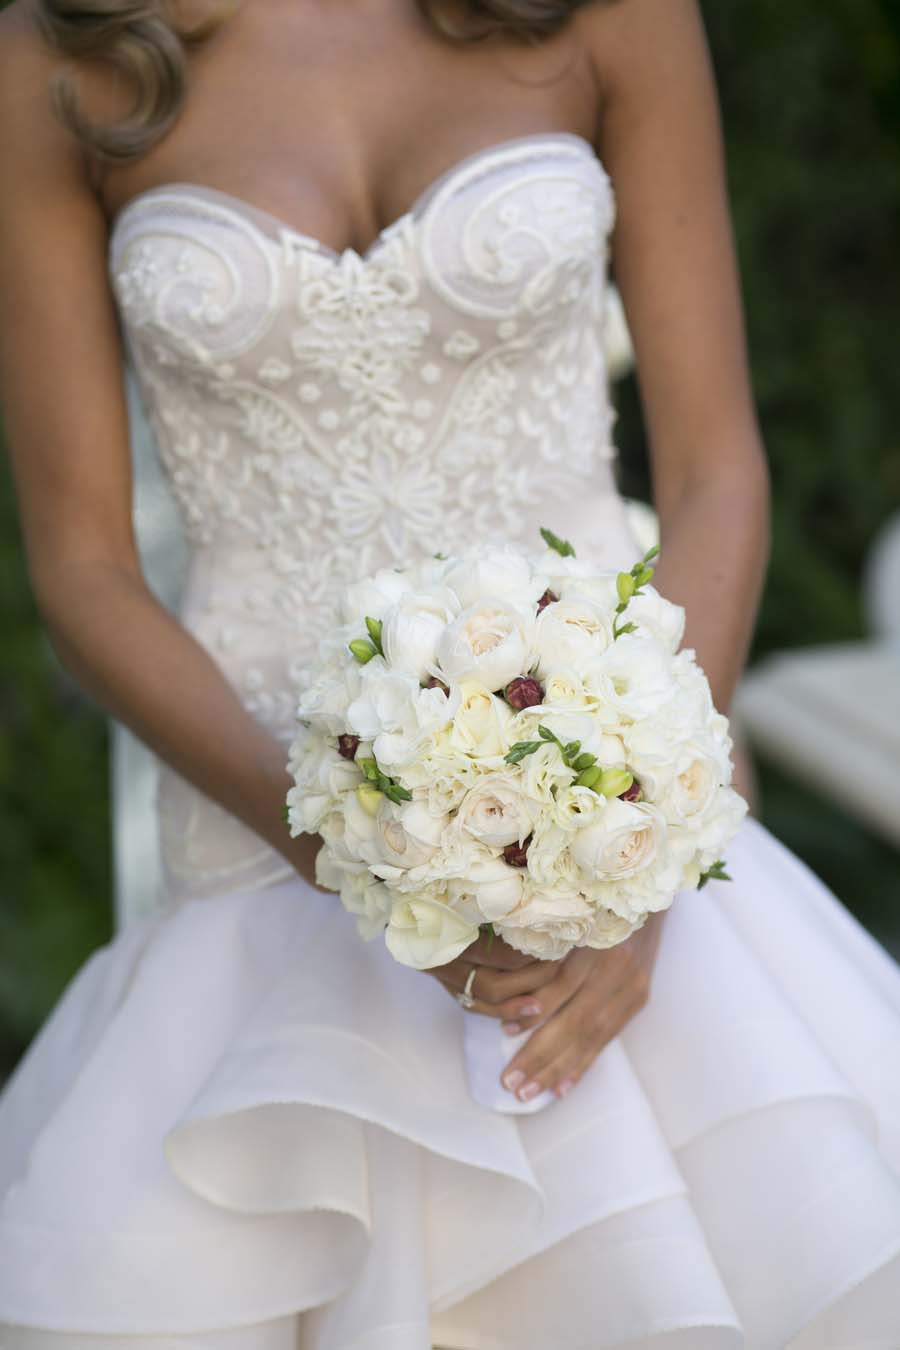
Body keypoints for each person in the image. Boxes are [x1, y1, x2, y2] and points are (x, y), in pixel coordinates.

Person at [0, 0, 897, 1344]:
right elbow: (82, 571)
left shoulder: (620, 14)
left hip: (614, 879)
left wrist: (641, 843)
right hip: (257, 850)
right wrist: (355, 851)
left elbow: (716, 472)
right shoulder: (61, 45)